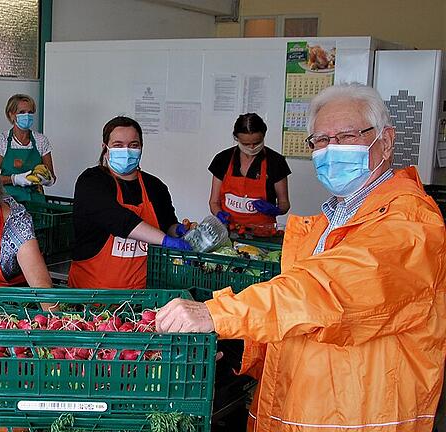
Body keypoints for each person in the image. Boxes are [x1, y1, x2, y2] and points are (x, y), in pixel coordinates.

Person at [156, 84, 446, 431]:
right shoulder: (324, 225)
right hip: (295, 411)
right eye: (321, 141)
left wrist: (217, 313)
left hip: (358, 418)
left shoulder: (410, 223)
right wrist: (240, 347)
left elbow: (326, 293)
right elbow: (296, 318)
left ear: (385, 141)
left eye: (346, 136)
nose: (330, 149)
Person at [68, 116, 191, 289]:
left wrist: (178, 231)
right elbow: (119, 221)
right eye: (118, 145)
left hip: (142, 296)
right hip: (91, 295)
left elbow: (166, 223)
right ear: (105, 148)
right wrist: (165, 240)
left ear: (141, 148)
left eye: (133, 145)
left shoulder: (155, 186)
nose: (126, 151)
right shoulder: (91, 181)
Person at [208, 113, 291, 225]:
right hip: (229, 230)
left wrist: (276, 210)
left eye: (256, 143)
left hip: (263, 232)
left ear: (264, 135)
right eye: (246, 144)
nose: (252, 147)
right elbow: (214, 202)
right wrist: (219, 214)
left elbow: (284, 203)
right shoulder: (223, 159)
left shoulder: (276, 161)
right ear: (237, 138)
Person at [0, 94, 55, 203]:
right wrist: (14, 179)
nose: (27, 115)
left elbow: (52, 176)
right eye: (22, 112)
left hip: (36, 200)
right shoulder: (2, 140)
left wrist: (47, 180)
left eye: (30, 112)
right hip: (9, 201)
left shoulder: (41, 140)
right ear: (11, 115)